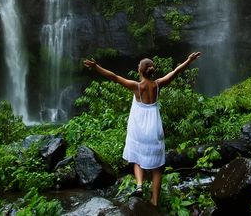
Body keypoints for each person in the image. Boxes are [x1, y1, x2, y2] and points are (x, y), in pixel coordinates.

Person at [83, 52, 202, 206]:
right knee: (157, 168)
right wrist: (188, 60)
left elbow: (114, 77)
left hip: (138, 128)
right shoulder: (158, 84)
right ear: (151, 70)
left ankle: (139, 185)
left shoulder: (136, 87)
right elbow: (176, 72)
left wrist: (96, 66)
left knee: (137, 157)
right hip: (154, 128)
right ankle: (154, 201)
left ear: (139, 70)